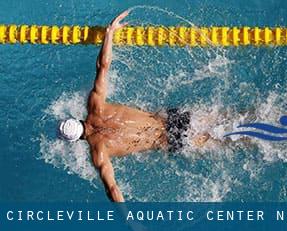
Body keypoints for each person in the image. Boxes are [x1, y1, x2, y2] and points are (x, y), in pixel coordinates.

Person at [58, 11, 210, 202]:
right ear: (76, 119)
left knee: (228, 141)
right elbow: (103, 66)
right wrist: (109, 33)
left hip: (171, 140)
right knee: (226, 118)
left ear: (76, 140)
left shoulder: (99, 152)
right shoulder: (95, 105)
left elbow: (112, 189)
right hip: (172, 118)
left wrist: (131, 223)